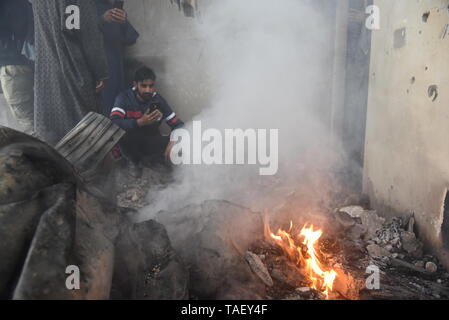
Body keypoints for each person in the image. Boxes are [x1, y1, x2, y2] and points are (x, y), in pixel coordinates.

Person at [33, 0, 108, 145]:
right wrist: (100, 72)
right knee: (86, 131)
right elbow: (88, 35)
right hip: (75, 70)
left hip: (46, 74)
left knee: (53, 134)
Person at [110, 66, 184, 177]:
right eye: (144, 86)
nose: (148, 90)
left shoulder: (158, 100)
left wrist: (173, 141)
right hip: (130, 146)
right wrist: (139, 122)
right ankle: (133, 166)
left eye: (151, 86)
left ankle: (163, 169)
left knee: (183, 139)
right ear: (135, 85)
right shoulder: (124, 98)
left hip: (149, 143)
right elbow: (114, 123)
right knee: (126, 137)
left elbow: (179, 124)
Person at [95, 0, 139, 116]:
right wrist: (102, 20)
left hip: (117, 68)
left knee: (117, 107)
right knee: (103, 108)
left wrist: (123, 21)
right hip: (98, 69)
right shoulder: (87, 7)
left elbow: (131, 38)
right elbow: (80, 34)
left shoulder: (114, 9)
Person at [0, 0, 35, 135]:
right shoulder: (23, 4)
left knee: (28, 123)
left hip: (13, 66)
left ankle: (41, 155)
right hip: (20, 64)